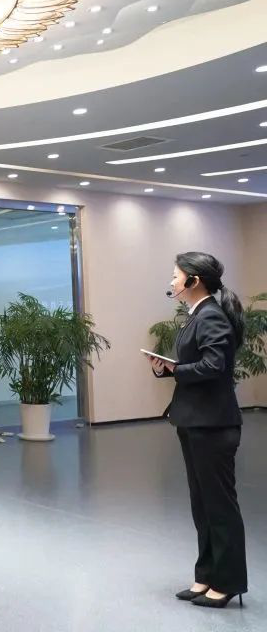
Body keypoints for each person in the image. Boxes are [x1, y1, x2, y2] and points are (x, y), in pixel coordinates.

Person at [147, 252, 247, 609]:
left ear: (194, 280)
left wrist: (177, 370)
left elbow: (214, 366)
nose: (172, 281)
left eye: (176, 275)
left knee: (219, 507)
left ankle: (227, 582)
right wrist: (167, 368)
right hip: (195, 421)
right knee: (201, 505)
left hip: (213, 425)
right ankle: (206, 575)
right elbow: (197, 364)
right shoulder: (197, 315)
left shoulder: (211, 316)